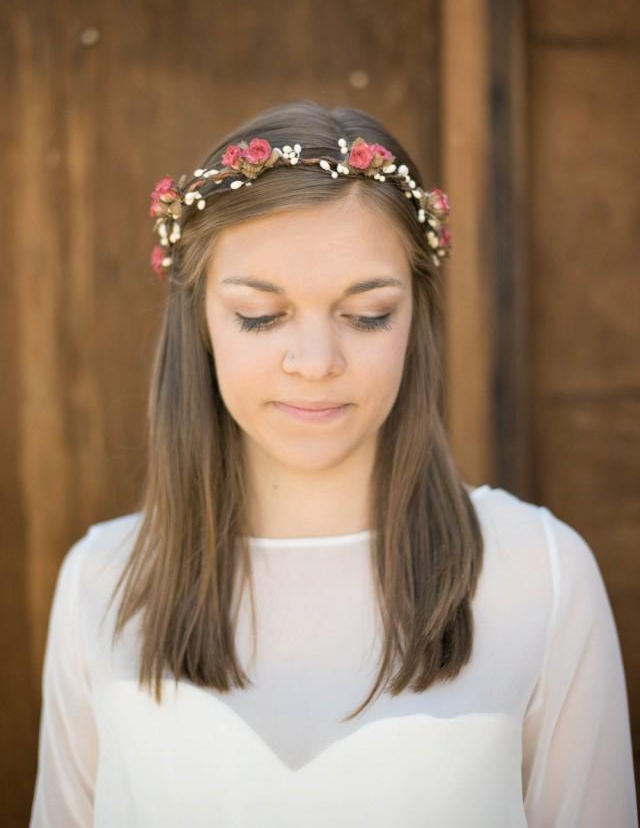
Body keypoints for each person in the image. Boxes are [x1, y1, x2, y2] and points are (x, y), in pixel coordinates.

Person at [29, 99, 637, 827]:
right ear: (201, 324)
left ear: (416, 317)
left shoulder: (542, 575)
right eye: (261, 315)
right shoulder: (101, 583)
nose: (315, 364)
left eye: (367, 314)